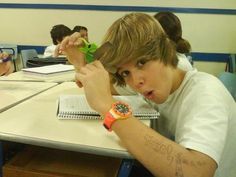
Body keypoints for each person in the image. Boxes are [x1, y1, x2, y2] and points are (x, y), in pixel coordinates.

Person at [59, 13, 236, 177]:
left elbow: (195, 172)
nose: (136, 81)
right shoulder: (150, 85)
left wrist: (108, 107)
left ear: (165, 51)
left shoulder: (206, 92)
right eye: (125, 72)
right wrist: (80, 63)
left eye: (141, 62)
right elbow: (104, 89)